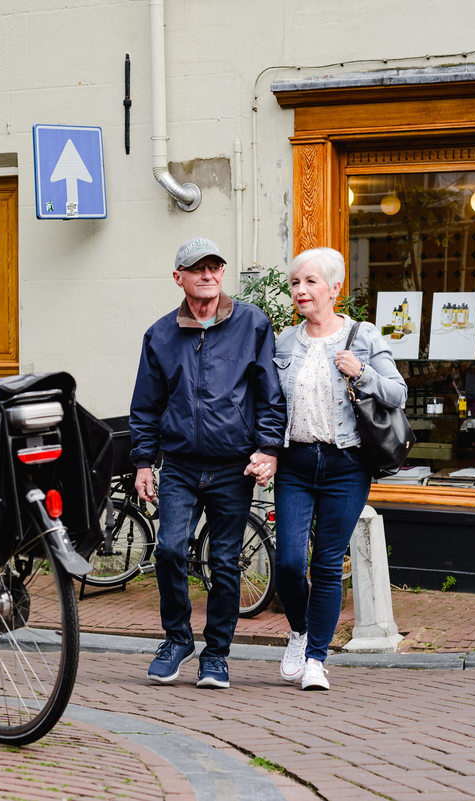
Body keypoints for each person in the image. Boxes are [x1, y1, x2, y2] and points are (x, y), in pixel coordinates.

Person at [129, 236, 285, 689]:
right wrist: (143, 463)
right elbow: (145, 407)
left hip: (232, 466)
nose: (208, 275)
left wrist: (268, 448)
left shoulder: (252, 324)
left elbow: (269, 396)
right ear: (179, 278)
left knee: (224, 561)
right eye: (198, 269)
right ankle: (177, 640)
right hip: (178, 465)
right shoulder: (160, 335)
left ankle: (216, 654)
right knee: (170, 550)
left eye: (215, 267)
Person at [273, 246, 407, 690]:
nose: (301, 291)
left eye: (310, 282)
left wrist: (362, 372)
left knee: (327, 563)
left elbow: (397, 393)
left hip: (346, 463)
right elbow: (271, 405)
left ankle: (316, 658)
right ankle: (298, 631)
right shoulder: (285, 342)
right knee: (291, 563)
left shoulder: (362, 336)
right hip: (295, 463)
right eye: (295, 283)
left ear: (334, 288)